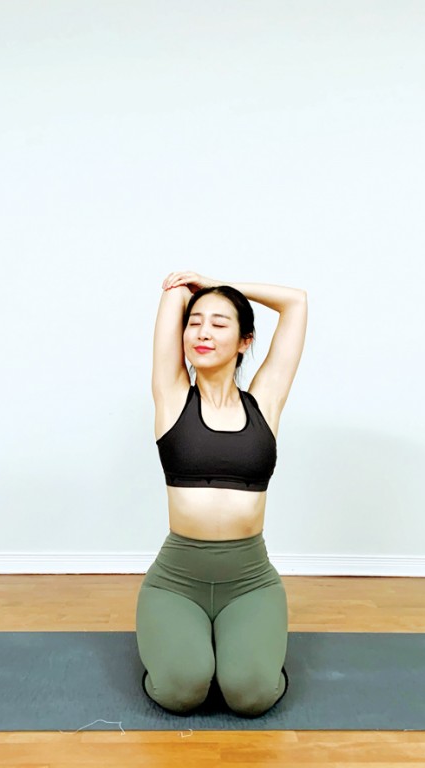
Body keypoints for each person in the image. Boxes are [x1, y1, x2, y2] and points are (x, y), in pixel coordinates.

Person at [137, 270, 307, 717]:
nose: (203, 332)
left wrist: (219, 285)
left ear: (245, 341)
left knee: (251, 695)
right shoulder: (173, 396)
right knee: (180, 692)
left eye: (219, 323)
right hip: (177, 581)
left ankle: (234, 650)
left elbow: (295, 302)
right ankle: (190, 648)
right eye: (195, 323)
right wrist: (189, 294)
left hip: (250, 582)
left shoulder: (265, 402)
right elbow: (173, 294)